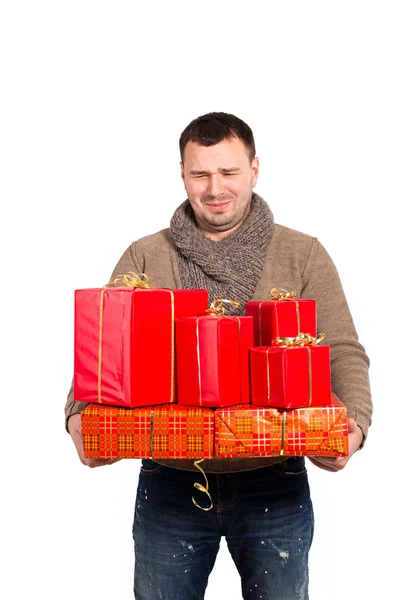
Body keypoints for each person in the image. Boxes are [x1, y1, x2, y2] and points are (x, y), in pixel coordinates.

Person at [65, 112, 372, 600]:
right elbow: (103, 350)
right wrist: (79, 417)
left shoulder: (302, 253)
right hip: (171, 480)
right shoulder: (146, 254)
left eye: (228, 172)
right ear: (182, 174)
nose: (215, 188)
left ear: (254, 169)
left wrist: (353, 425)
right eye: (200, 173)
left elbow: (342, 349)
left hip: (275, 478)